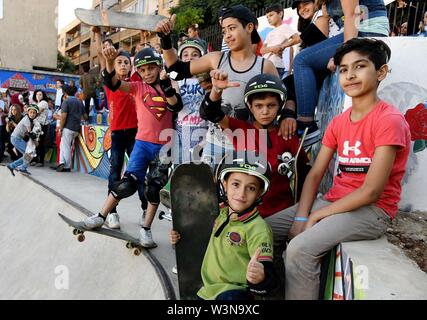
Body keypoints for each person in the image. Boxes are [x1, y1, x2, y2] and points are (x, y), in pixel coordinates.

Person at [266, 38, 411, 300]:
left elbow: (371, 192)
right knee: (262, 229)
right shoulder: (338, 122)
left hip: (371, 211)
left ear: (381, 72)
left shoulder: (389, 120)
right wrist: (301, 216)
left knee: (300, 249)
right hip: (333, 201)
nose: (350, 75)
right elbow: (315, 174)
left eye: (360, 66)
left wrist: (315, 217)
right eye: (343, 69)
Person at [155, 5, 281, 166]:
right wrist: (165, 39)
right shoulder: (216, 59)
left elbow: (283, 100)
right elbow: (175, 71)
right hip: (215, 144)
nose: (227, 35)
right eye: (224, 31)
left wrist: (288, 116)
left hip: (249, 145)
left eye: (232, 28)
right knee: (207, 189)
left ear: (250, 27)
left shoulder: (265, 66)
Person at [83, 46, 183, 248]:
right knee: (127, 183)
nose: (147, 74)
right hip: (142, 144)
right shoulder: (137, 87)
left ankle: (145, 230)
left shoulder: (168, 84)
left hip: (165, 147)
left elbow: (176, 105)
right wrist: (110, 62)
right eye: (143, 70)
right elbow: (112, 83)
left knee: (153, 189)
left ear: (158, 67)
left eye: (151, 69)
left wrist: (166, 84)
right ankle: (102, 215)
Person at [201, 72, 309, 219]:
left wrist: (301, 215)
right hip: (242, 211)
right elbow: (211, 112)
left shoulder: (286, 134)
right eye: (259, 106)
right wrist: (216, 90)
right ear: (250, 107)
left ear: (280, 106)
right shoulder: (240, 129)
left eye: (271, 105)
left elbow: (304, 173)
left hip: (279, 213)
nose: (265, 111)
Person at [170, 153, 277, 300]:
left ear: (259, 193)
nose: (241, 193)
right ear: (224, 184)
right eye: (236, 184)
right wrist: (179, 237)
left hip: (237, 293)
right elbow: (196, 237)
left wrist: (261, 276)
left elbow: (268, 272)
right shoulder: (219, 214)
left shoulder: (258, 228)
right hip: (208, 292)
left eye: (251, 188)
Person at [291, 0, 390, 147]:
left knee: (302, 60)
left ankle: (306, 126)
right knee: (306, 65)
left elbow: (352, 14)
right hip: (358, 29)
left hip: (368, 29)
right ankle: (307, 124)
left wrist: (343, 54)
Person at [95, 34, 139, 229]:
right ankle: (111, 212)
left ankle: (146, 208)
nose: (122, 65)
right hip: (117, 135)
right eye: (118, 62)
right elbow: (101, 57)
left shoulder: (135, 82)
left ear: (131, 66)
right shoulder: (110, 81)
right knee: (115, 173)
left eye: (125, 62)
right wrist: (97, 33)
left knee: (139, 172)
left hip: (135, 134)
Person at [172, 38, 209, 164]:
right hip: (182, 129)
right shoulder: (176, 80)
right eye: (185, 55)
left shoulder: (206, 80)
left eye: (195, 55)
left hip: (202, 129)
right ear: (180, 58)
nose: (190, 58)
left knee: (200, 166)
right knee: (182, 166)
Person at [260, 4, 297, 79]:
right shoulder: (270, 33)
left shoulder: (285, 27)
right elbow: (262, 50)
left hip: (276, 65)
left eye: (271, 15)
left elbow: (297, 38)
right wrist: (274, 48)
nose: (268, 18)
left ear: (280, 14)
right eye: (267, 17)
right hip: (266, 64)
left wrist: (282, 46)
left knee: (274, 88)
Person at [56, 85, 87, 173]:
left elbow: (63, 116)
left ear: (65, 93)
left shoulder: (66, 101)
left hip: (68, 127)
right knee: (63, 145)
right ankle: (61, 162)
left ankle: (67, 166)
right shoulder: (79, 101)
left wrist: (60, 128)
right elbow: (85, 116)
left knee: (66, 147)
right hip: (76, 128)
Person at [6, 104, 42, 176]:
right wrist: (35, 142)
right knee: (29, 154)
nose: (32, 114)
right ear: (28, 113)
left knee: (28, 155)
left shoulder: (31, 120)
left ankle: (12, 166)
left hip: (17, 138)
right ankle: (22, 168)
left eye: (34, 113)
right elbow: (30, 133)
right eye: (30, 112)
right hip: (16, 139)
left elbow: (29, 133)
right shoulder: (27, 120)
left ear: (36, 114)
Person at [32, 90, 49, 167]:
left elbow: (36, 112)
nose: (38, 96)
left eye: (40, 94)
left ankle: (41, 161)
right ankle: (35, 160)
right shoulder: (36, 103)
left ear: (43, 96)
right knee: (35, 143)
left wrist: (30, 113)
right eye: (37, 94)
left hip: (42, 125)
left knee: (40, 143)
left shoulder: (44, 103)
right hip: (36, 125)